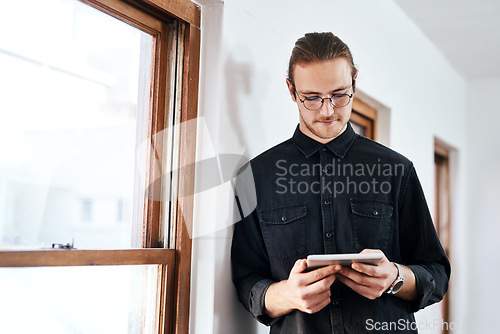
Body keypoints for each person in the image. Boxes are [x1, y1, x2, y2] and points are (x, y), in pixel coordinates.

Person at [231, 32, 450, 333]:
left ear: (354, 82)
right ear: (291, 90)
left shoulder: (396, 170)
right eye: (312, 98)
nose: (327, 110)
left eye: (338, 95)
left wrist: (396, 277)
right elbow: (246, 281)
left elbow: (437, 273)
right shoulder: (254, 178)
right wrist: (286, 295)